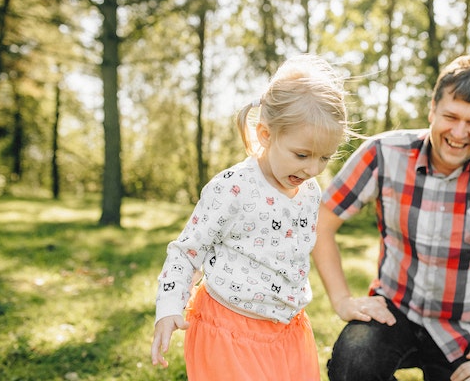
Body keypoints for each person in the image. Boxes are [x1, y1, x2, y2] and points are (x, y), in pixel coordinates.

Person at [312, 55, 470, 381]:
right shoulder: (384, 153)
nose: (459, 133)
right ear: (432, 109)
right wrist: (341, 299)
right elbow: (322, 221)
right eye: (451, 116)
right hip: (393, 310)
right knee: (354, 360)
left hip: (464, 331)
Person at [150, 54, 351, 381]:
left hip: (289, 331)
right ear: (265, 134)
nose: (313, 169)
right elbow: (187, 251)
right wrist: (169, 307)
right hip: (229, 331)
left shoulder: (310, 191)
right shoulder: (233, 188)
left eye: (324, 157)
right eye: (302, 155)